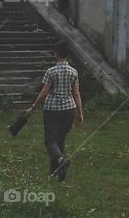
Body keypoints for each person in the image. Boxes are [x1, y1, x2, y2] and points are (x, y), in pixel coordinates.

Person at [26, 43, 84, 181]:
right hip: (69, 109)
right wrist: (80, 113)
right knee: (60, 140)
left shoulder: (51, 72)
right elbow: (76, 94)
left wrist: (33, 107)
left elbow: (44, 92)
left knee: (50, 141)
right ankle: (55, 172)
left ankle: (62, 161)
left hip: (52, 109)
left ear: (56, 53)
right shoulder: (74, 72)